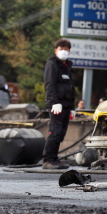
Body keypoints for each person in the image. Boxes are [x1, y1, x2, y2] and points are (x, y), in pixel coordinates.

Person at [42, 38, 76, 170]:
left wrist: (72, 107)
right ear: (55, 50)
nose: (63, 51)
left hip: (66, 105)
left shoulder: (67, 67)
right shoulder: (52, 65)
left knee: (61, 133)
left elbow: (70, 87)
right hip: (56, 105)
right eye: (61, 49)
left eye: (66, 49)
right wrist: (54, 102)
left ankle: (55, 159)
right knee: (55, 132)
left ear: (69, 51)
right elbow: (49, 85)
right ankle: (48, 160)